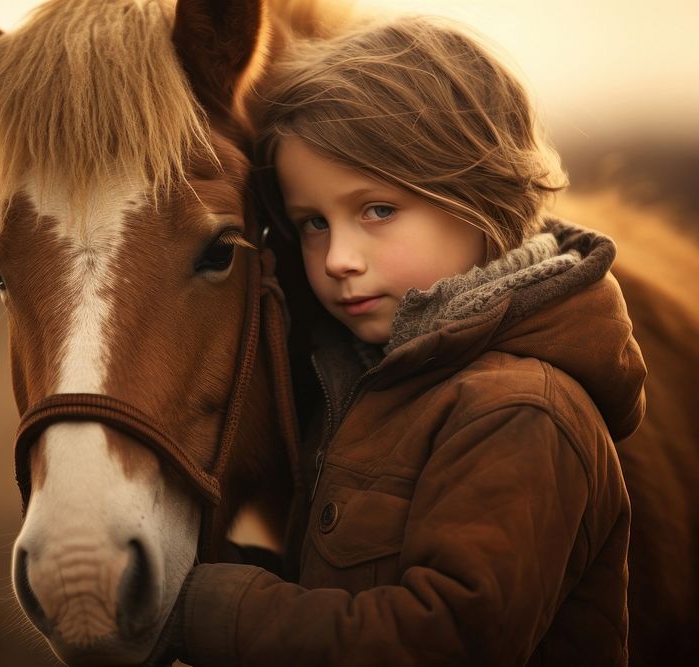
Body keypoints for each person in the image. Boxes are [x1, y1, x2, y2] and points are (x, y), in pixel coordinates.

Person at [154, 14, 646, 666]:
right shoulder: (374, 376)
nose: (337, 258)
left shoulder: (522, 412)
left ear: (480, 197)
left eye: (377, 210)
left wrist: (220, 610)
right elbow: (343, 587)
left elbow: (442, 639)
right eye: (312, 223)